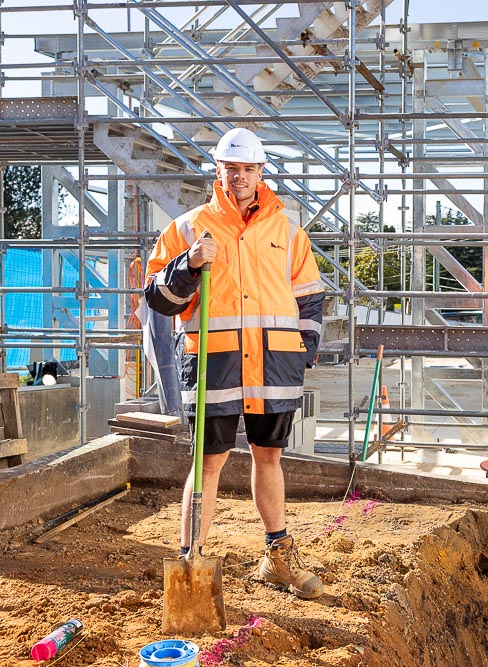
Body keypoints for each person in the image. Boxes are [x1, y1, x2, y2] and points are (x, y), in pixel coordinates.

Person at [144, 127, 325, 599]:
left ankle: (277, 558)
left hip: (274, 365)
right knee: (207, 464)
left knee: (270, 457)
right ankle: (192, 563)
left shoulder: (287, 231)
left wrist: (301, 354)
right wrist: (187, 264)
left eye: (249, 169)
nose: (240, 177)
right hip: (215, 364)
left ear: (261, 172)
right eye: (232, 169)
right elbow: (156, 300)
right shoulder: (187, 228)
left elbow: (310, 300)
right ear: (218, 171)